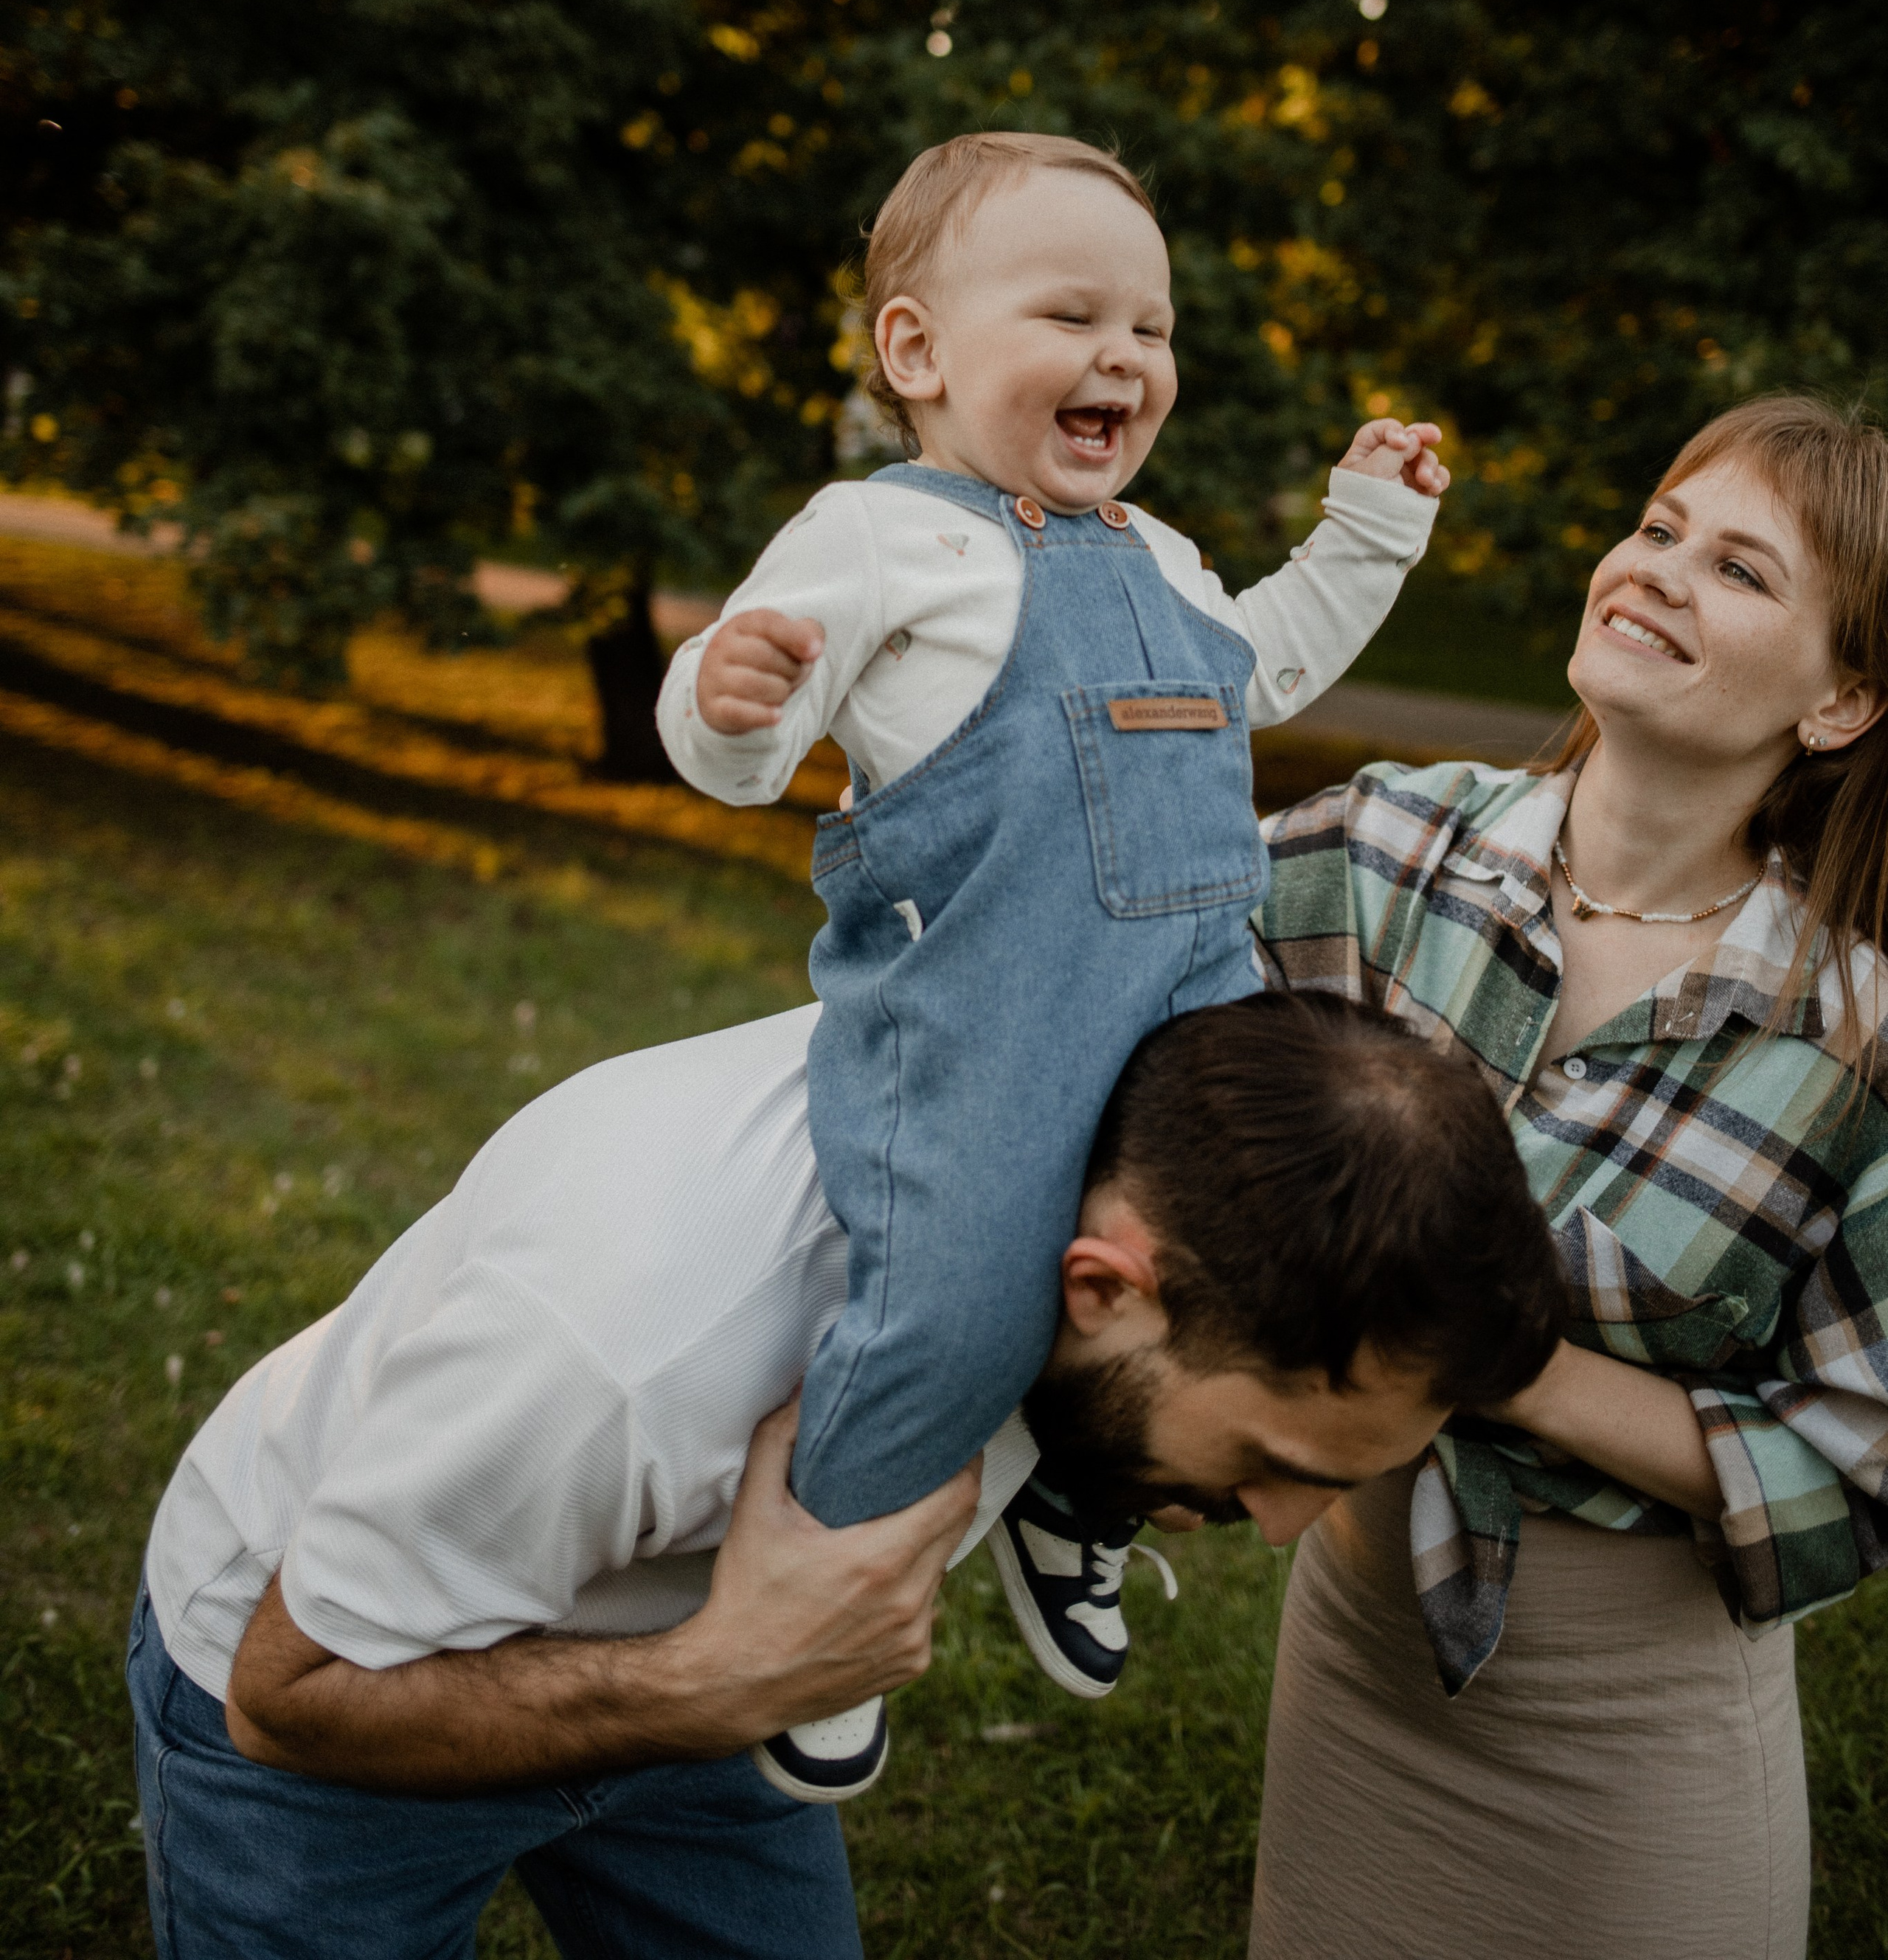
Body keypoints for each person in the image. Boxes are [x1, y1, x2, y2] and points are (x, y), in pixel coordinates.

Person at [131, 987, 1562, 1960]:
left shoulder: (1153, 1127)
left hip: (702, 1685)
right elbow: (289, 1699)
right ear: (1102, 1286)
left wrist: (714, 1685)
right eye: (1273, 1463)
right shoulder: (632, 1340)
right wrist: (716, 1685)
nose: (1281, 1530)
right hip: (344, 1693)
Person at [656, 129, 1447, 1795]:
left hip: (1193, 999)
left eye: (1149, 329)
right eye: (1071, 315)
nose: (1122, 356)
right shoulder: (876, 537)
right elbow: (748, 719)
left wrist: (1364, 530)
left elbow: (1270, 669)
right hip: (987, 1018)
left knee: (1224, 1273)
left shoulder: (1158, 556)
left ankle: (1071, 1502)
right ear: (917, 353)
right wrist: (727, 703)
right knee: (951, 1310)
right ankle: (834, 1578)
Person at [1246, 393, 1888, 1960]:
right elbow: (1111, 949)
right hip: (1349, 1647)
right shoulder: (1386, 846)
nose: (1655, 569)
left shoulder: (1854, 1037)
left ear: (1838, 702)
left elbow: (1852, 1459)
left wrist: (1494, 1353)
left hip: (1631, 1734)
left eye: (1738, 573)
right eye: (1658, 529)